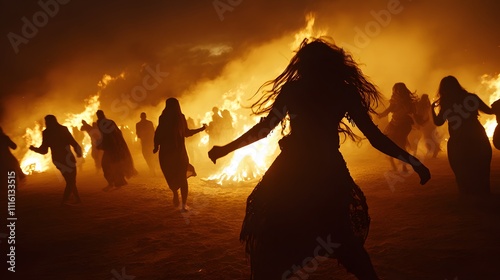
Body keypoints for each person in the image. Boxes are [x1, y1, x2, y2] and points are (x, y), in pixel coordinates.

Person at [208, 38, 430, 280]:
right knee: (342, 239)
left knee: (277, 236)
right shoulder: (342, 91)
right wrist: (413, 161)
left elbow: (264, 129)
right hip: (326, 171)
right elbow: (375, 137)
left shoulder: (295, 90)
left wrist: (226, 149)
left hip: (293, 172)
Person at [431, 76, 493, 195]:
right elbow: (489, 111)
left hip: (459, 140)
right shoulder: (471, 98)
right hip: (477, 136)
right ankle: (484, 193)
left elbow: (438, 122)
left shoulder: (446, 103)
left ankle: (466, 194)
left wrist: (432, 109)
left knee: (461, 170)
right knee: (482, 167)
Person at [154, 98, 206, 212]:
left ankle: (179, 199)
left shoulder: (168, 117)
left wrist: (156, 146)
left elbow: (159, 133)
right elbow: (185, 132)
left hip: (170, 153)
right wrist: (201, 129)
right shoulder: (176, 117)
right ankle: (179, 199)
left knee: (176, 176)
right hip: (176, 153)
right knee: (177, 177)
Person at [29, 115, 82, 205]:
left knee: (70, 180)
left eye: (46, 122)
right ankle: (69, 200)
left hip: (58, 159)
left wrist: (34, 149)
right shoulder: (63, 129)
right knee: (71, 180)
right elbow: (73, 142)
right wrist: (78, 152)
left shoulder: (47, 133)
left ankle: (73, 200)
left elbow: (44, 150)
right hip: (68, 157)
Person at [378, 83, 419, 172]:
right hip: (400, 125)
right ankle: (398, 165)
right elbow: (389, 111)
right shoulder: (403, 101)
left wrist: (379, 115)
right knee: (398, 144)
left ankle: (399, 165)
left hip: (400, 125)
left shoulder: (401, 101)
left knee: (395, 144)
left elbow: (388, 111)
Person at [96, 110, 137, 190]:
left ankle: (113, 183)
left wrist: (102, 145)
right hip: (115, 147)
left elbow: (107, 136)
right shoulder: (109, 121)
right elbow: (117, 133)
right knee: (114, 165)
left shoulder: (101, 123)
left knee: (106, 165)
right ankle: (118, 182)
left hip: (111, 148)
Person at [414, 94, 442, 158]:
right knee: (428, 138)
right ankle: (433, 151)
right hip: (425, 124)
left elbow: (427, 116)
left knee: (429, 138)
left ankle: (434, 152)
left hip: (428, 124)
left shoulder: (427, 106)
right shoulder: (423, 105)